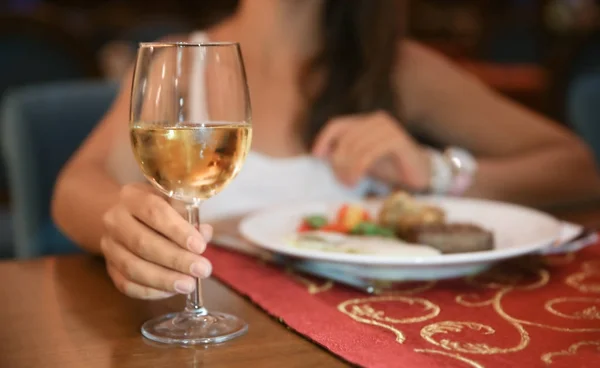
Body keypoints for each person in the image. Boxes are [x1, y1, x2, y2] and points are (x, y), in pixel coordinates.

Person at [52, 0, 600, 300]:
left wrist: (435, 172)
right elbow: (74, 185)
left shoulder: (399, 69)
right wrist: (118, 226)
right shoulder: (177, 63)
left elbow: (577, 167)